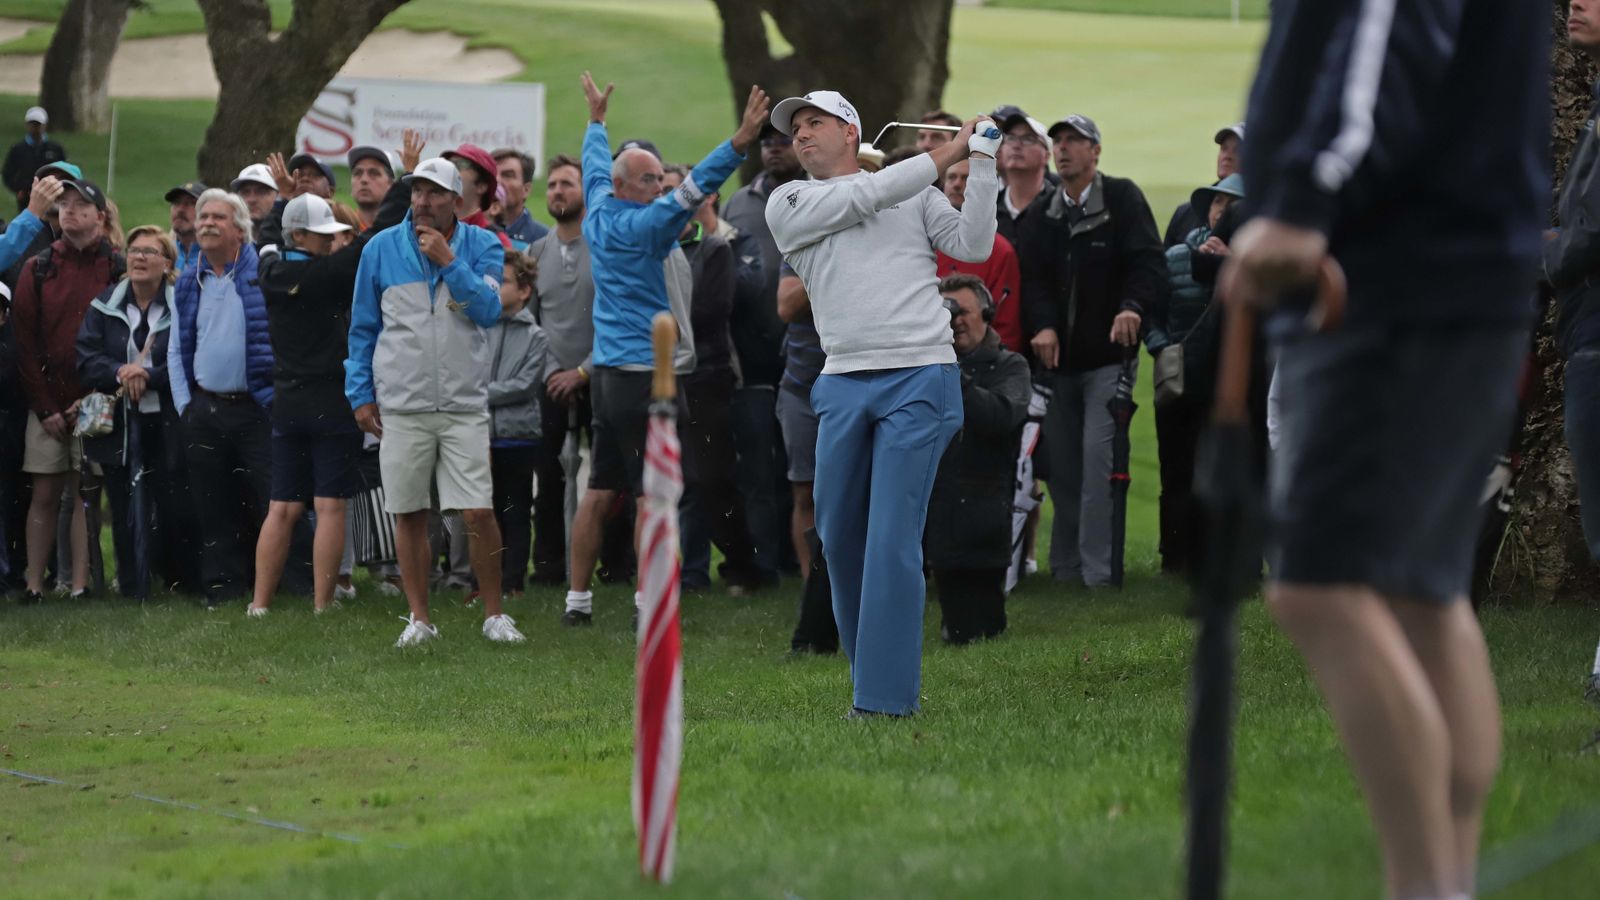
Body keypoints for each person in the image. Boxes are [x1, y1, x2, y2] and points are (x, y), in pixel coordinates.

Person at [1223, 1, 1547, 896]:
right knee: (1419, 595)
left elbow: (1382, 32)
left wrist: (1297, 206)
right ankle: (1446, 883)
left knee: (1321, 589)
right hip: (1453, 276)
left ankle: (1427, 887)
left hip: (1391, 282)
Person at [764, 89, 999, 717]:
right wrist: (946, 149)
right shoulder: (789, 201)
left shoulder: (914, 193)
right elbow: (866, 196)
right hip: (842, 379)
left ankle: (882, 701)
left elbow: (973, 245)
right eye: (796, 128)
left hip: (921, 374)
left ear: (852, 131)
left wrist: (980, 164)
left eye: (816, 123)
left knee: (892, 537)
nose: (802, 135)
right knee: (838, 539)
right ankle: (873, 676)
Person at [561, 72, 767, 626]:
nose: (659, 184)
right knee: (653, 494)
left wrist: (596, 123)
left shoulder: (599, 208)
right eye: (649, 178)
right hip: (641, 377)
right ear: (630, 187)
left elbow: (593, 166)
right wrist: (741, 141)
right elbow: (698, 185)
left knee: (600, 488)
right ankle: (646, 602)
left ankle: (576, 603)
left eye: (658, 179)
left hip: (604, 376)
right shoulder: (651, 225)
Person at [345, 157, 525, 646]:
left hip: (464, 403)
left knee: (477, 512)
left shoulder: (484, 244)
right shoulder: (380, 249)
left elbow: (487, 311)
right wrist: (360, 394)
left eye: (434, 193)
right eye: (417, 192)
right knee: (407, 512)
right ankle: (420, 619)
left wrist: (450, 261)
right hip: (401, 404)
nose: (423, 201)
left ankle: (493, 615)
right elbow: (363, 329)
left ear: (457, 201)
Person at [1017, 114, 1163, 588]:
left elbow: (1147, 263)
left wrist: (1132, 307)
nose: (1064, 149)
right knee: (1061, 470)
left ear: (1096, 151)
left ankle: (1098, 576)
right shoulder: (1045, 213)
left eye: (1074, 142)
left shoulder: (1122, 198)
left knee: (1098, 465)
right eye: (1058, 141)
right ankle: (1066, 570)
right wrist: (1041, 325)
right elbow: (1034, 279)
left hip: (1107, 361)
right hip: (1057, 366)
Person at [246, 194, 384, 616]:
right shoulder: (329, 273)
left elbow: (268, 236)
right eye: (321, 235)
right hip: (331, 402)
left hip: (287, 402)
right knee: (329, 506)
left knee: (282, 507)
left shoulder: (268, 270)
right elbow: (373, 239)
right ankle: (323, 605)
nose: (329, 241)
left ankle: (259, 605)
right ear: (301, 235)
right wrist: (406, 181)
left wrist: (282, 200)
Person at [168, 189, 283, 606]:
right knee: (212, 504)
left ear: (240, 229)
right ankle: (223, 587)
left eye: (218, 217)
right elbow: (178, 347)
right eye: (202, 217)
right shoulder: (188, 279)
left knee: (273, 500)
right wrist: (186, 406)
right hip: (205, 408)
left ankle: (287, 584)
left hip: (256, 408)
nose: (206, 223)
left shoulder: (262, 273)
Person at [75, 225, 200, 598]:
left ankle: (181, 579)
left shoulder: (181, 304)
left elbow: (191, 356)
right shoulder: (105, 305)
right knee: (124, 501)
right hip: (120, 423)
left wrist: (149, 374)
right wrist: (119, 371)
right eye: (134, 251)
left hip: (166, 419)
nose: (140, 257)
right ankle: (131, 583)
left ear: (167, 262)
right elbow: (85, 357)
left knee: (174, 500)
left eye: (150, 251)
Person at [12, 175, 118, 603]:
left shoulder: (117, 266)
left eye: (81, 205)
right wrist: (46, 407)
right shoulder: (38, 268)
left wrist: (90, 400)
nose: (69, 211)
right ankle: (35, 584)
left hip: (95, 399)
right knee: (44, 491)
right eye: (64, 205)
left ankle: (78, 584)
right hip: (47, 402)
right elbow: (24, 342)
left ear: (101, 217)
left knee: (84, 489)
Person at [661, 164, 764, 593]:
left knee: (713, 479)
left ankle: (741, 566)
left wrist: (661, 321)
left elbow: (710, 313)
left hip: (707, 375)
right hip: (670, 375)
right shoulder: (658, 251)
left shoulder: (715, 249)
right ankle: (692, 572)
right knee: (681, 480)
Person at [1145, 173, 1243, 577]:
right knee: (1177, 471)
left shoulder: (1252, 268)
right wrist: (1163, 347)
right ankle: (1175, 556)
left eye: (1232, 207)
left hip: (1229, 385)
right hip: (1180, 381)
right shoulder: (1176, 258)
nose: (1223, 213)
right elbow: (1152, 311)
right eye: (1219, 204)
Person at [722, 120, 805, 587]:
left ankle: (801, 557)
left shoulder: (820, 193)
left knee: (800, 467)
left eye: (782, 142)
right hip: (753, 352)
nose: (773, 150)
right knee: (758, 465)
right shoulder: (740, 204)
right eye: (767, 143)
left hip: (806, 352)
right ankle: (765, 561)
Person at [926, 274, 1028, 644]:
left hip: (978, 511)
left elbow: (1002, 416)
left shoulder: (1010, 366)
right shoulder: (922, 369)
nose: (954, 320)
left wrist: (951, 372)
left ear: (986, 314)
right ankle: (812, 643)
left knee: (977, 633)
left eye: (962, 311)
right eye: (945, 312)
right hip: (925, 501)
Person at [774, 262, 835, 655]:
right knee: (805, 493)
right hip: (801, 388)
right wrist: (831, 268)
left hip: (850, 383)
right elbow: (787, 306)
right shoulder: (802, 239)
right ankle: (810, 588)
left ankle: (846, 590)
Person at [487, 250, 548, 596]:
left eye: (505, 282)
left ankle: (512, 583)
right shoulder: (482, 329)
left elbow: (524, 385)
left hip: (518, 437)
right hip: (484, 436)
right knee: (488, 512)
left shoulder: (536, 336)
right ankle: (489, 580)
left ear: (524, 291)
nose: (496, 288)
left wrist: (479, 393)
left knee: (515, 510)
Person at [937, 158, 1023, 352]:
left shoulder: (1000, 250)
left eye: (966, 178)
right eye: (951, 177)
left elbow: (1006, 325)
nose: (957, 184)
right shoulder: (923, 241)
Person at [1164, 123, 1243, 248]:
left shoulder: (1266, 215)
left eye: (1238, 150)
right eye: (1223, 148)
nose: (1227, 156)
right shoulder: (1186, 213)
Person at [991, 106, 1053, 245]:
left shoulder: (1060, 209)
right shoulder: (987, 205)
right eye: (1011, 138)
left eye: (1028, 139)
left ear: (1046, 155)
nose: (1016, 145)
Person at [442, 143, 514, 250]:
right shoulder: (430, 228)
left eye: (459, 165)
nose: (451, 170)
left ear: (481, 186)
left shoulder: (497, 242)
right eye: (449, 164)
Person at [2, 107, 66, 211]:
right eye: (32, 124)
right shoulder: (18, 149)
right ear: (27, 125)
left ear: (45, 125)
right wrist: (18, 189)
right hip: (26, 197)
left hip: (50, 195)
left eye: (38, 124)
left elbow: (64, 171)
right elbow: (7, 173)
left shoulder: (55, 148)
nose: (35, 127)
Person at [492, 148, 550, 251]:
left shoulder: (545, 239)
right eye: (492, 174)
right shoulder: (469, 231)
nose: (497, 180)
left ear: (526, 190)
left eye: (508, 175)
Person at [347, 146, 397, 231]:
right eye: (357, 173)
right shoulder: (341, 229)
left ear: (391, 185)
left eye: (374, 173)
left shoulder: (404, 230)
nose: (364, 179)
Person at [165, 181, 205, 273]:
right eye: (176, 203)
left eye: (192, 203)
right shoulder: (162, 254)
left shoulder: (219, 257)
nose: (180, 209)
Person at [230, 164, 280, 229]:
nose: (251, 200)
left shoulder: (294, 236)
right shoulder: (226, 237)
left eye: (262, 192)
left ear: (279, 196)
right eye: (245, 192)